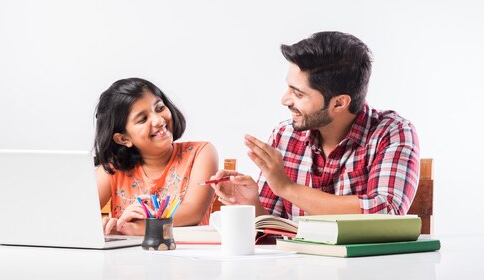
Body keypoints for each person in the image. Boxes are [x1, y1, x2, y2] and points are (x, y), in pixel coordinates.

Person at [211, 31, 420, 219]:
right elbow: (273, 225)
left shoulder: (392, 132)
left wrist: (287, 187)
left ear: (339, 103)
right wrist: (250, 203)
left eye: (298, 93)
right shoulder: (285, 135)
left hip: (364, 263)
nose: (285, 100)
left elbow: (386, 211)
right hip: (296, 262)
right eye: (288, 88)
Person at [94, 77, 218, 235]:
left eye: (159, 108)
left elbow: (193, 212)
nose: (159, 120)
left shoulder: (201, 152)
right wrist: (105, 225)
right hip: (127, 259)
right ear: (124, 139)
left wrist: (132, 228)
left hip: (186, 256)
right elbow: (76, 215)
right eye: (143, 119)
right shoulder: (114, 169)